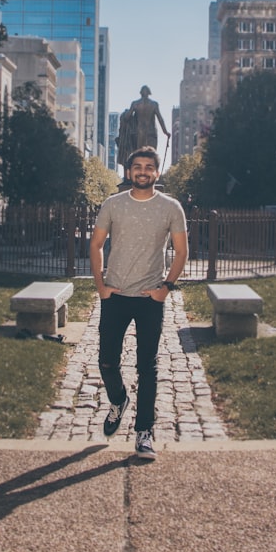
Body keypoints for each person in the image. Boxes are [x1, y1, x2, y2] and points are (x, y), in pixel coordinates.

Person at [89, 146, 188, 460]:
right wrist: (101, 286)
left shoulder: (171, 207)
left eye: (149, 167)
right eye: (137, 166)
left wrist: (165, 289)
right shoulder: (113, 204)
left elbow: (182, 252)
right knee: (106, 362)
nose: (143, 171)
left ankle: (144, 432)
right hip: (115, 295)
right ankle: (118, 400)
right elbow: (95, 245)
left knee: (147, 368)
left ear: (156, 172)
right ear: (129, 171)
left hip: (149, 298)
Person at [129, 85, 169, 152]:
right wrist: (165, 132)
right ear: (149, 93)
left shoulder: (135, 104)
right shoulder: (154, 104)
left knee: (139, 154)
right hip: (151, 132)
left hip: (139, 132)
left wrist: (126, 113)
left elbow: (127, 117)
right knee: (151, 154)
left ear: (141, 92)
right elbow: (160, 119)